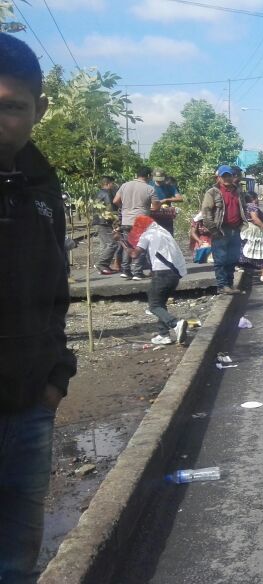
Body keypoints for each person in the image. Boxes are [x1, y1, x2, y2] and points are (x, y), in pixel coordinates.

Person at [0, 33, 78, 583]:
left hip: (29, 410)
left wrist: (56, 379)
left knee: (17, 563)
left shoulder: (42, 188)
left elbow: (57, 289)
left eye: (12, 107)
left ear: (38, 110)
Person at [124, 215, 188, 345]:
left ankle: (175, 323)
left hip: (162, 273)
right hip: (175, 274)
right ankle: (163, 335)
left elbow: (134, 254)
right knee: (160, 303)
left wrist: (120, 240)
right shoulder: (164, 232)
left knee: (154, 305)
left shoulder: (148, 234)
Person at [201, 165, 247, 295]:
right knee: (220, 259)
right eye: (224, 176)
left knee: (233, 258)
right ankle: (222, 286)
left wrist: (243, 224)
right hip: (220, 230)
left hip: (235, 229)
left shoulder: (237, 191)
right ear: (219, 178)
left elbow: (243, 207)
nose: (227, 178)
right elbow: (206, 211)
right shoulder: (213, 192)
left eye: (229, 175)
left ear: (233, 177)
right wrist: (213, 230)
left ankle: (230, 284)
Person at [113, 166, 160, 280]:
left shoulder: (124, 185)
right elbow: (156, 206)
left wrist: (125, 209)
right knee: (141, 245)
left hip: (126, 220)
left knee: (127, 245)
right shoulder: (149, 188)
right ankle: (137, 272)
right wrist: (148, 209)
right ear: (148, 176)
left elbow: (115, 201)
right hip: (141, 221)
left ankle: (125, 270)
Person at [240, 191, 263, 283]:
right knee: (260, 252)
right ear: (254, 198)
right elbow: (255, 219)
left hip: (245, 230)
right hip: (254, 232)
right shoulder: (252, 206)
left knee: (246, 251)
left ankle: (262, 273)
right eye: (257, 198)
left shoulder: (244, 206)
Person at [93, 175, 120, 275]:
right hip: (104, 222)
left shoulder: (98, 193)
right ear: (107, 184)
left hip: (98, 221)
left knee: (106, 245)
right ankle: (102, 264)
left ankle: (105, 266)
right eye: (112, 183)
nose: (113, 185)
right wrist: (116, 221)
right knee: (112, 244)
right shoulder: (107, 193)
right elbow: (110, 209)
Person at [150, 168, 183, 236]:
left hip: (165, 215)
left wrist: (166, 200)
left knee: (168, 236)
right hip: (152, 215)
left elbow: (180, 198)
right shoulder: (149, 185)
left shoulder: (169, 186)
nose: (159, 181)